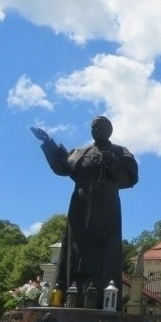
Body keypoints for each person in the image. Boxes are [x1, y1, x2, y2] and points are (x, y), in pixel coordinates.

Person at [31, 116, 138, 308]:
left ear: (109, 130)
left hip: (107, 207)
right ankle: (65, 294)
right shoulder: (82, 152)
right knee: (74, 249)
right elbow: (64, 164)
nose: (95, 128)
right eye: (93, 126)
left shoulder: (120, 151)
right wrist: (48, 142)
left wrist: (112, 162)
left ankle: (101, 299)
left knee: (105, 251)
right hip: (80, 205)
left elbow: (129, 178)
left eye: (100, 126)